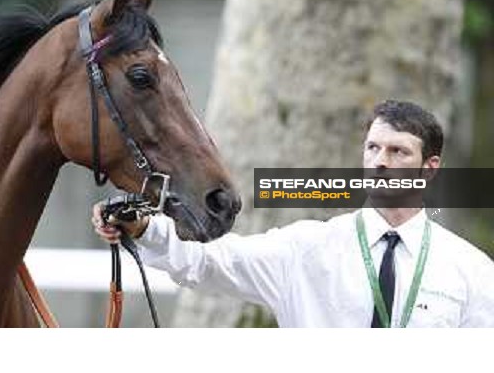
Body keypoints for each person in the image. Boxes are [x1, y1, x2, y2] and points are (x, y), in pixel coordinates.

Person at [92, 100, 494, 328]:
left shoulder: (471, 270)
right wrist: (144, 228)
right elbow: (207, 261)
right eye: (373, 148)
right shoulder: (306, 248)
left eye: (398, 152)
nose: (380, 162)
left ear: (430, 168)